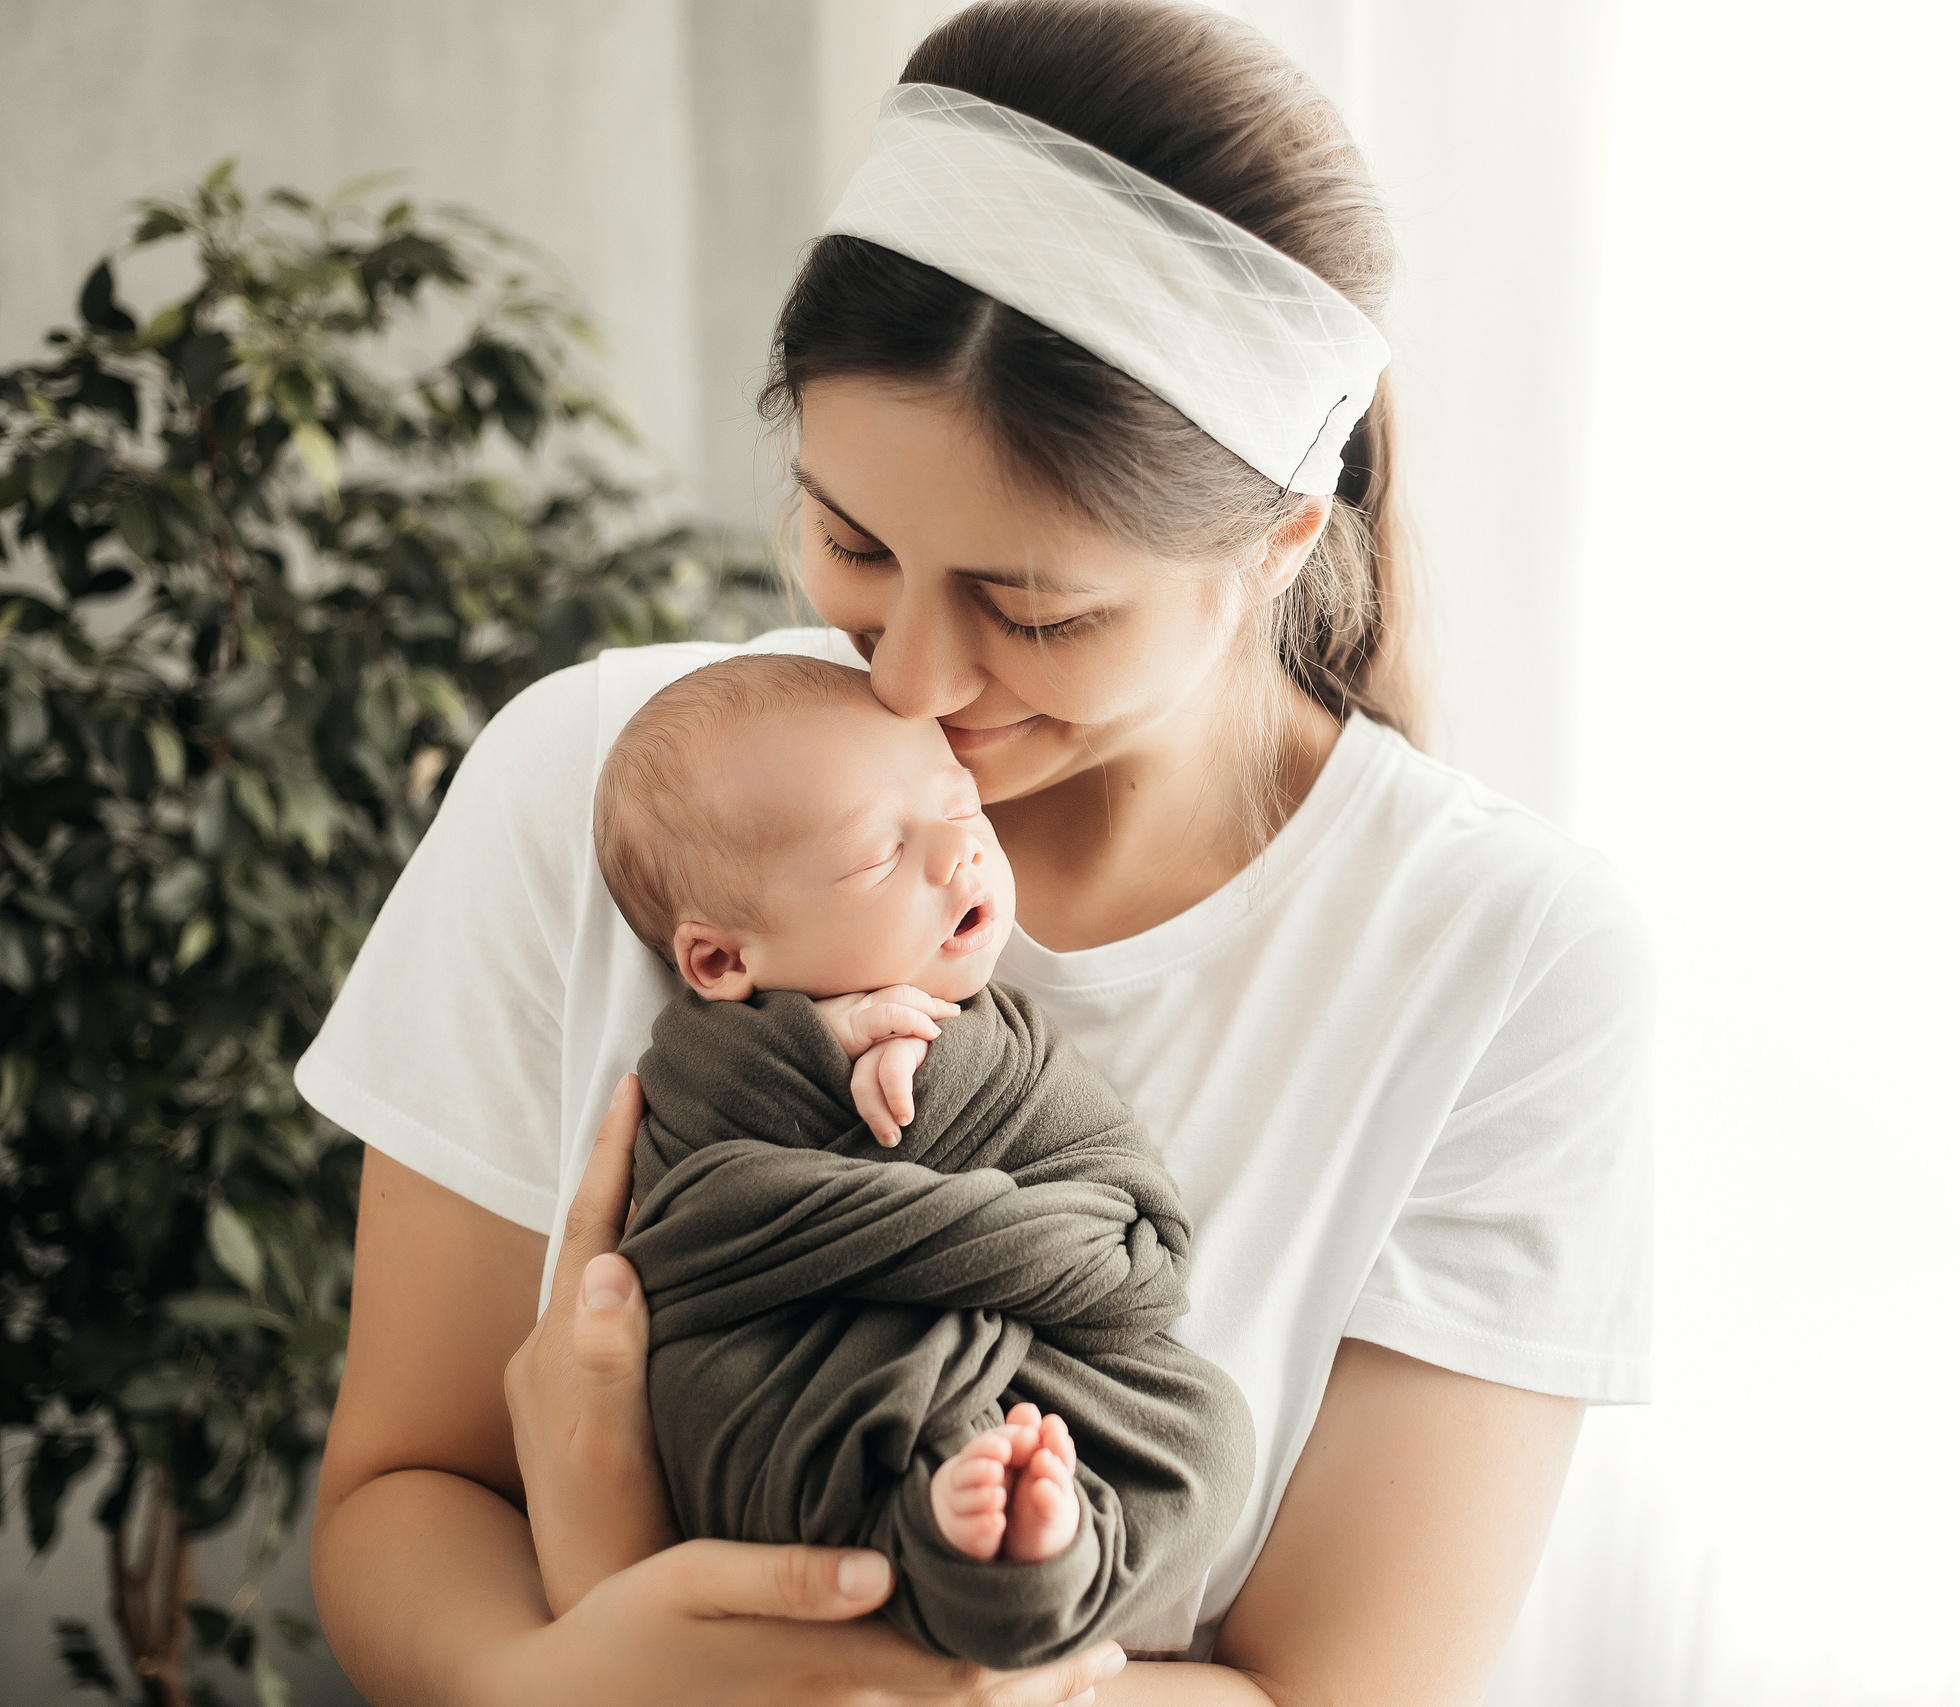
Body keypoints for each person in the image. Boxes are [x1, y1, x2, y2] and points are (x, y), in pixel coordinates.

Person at [302, 3, 1651, 1703]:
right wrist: (548, 1679)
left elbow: (1341, 1686)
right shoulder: (605, 780)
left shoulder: (1503, 956)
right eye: (851, 540)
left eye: (1037, 609)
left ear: (1279, 539)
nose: (913, 683)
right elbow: (398, 1497)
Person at [595, 653, 1255, 1667]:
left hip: (1034, 1347)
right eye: (879, 856)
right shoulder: (704, 1061)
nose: (961, 853)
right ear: (721, 963)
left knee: (1207, 1436)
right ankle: (981, 1535)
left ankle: (1030, 1548)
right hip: (809, 1376)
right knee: (733, 1424)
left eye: (960, 805)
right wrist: (822, 1040)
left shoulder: (1008, 1043)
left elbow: (1124, 1220)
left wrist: (950, 1058)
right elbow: (707, 1218)